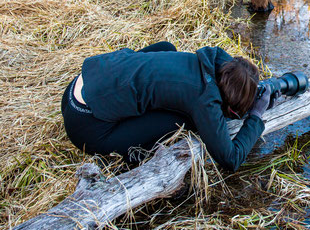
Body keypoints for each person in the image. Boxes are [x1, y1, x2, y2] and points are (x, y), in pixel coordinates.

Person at [60, 41, 271, 171]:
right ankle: (131, 157)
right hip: (84, 124)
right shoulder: (204, 100)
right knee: (184, 120)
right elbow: (231, 159)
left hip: (78, 86)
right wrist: (255, 116)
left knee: (166, 48)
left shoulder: (207, 62)